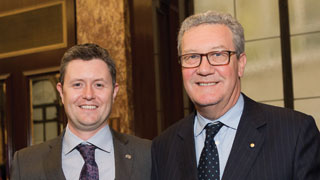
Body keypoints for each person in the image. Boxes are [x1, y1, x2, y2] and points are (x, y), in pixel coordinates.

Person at [151, 11, 320, 180]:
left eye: (218, 55)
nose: (203, 69)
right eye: (192, 57)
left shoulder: (295, 134)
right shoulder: (163, 147)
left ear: (240, 64)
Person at [11, 43, 151, 180]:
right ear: (61, 92)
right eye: (77, 84)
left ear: (114, 92)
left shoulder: (148, 155)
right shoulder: (25, 165)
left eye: (99, 84)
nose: (88, 95)